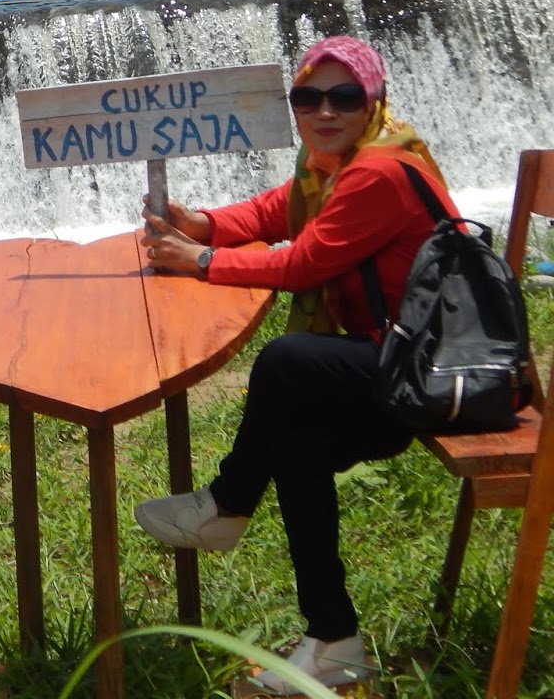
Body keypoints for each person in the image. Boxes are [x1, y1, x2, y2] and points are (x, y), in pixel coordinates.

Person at [135, 35, 459, 695]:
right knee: (297, 445)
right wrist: (201, 223)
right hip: (400, 363)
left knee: (286, 361)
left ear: (374, 100)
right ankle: (334, 641)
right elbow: (272, 213)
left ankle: (226, 503)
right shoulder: (331, 168)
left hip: (437, 374)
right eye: (309, 97)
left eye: (345, 96)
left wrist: (198, 261)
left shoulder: (378, 173)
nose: (325, 110)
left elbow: (304, 263)